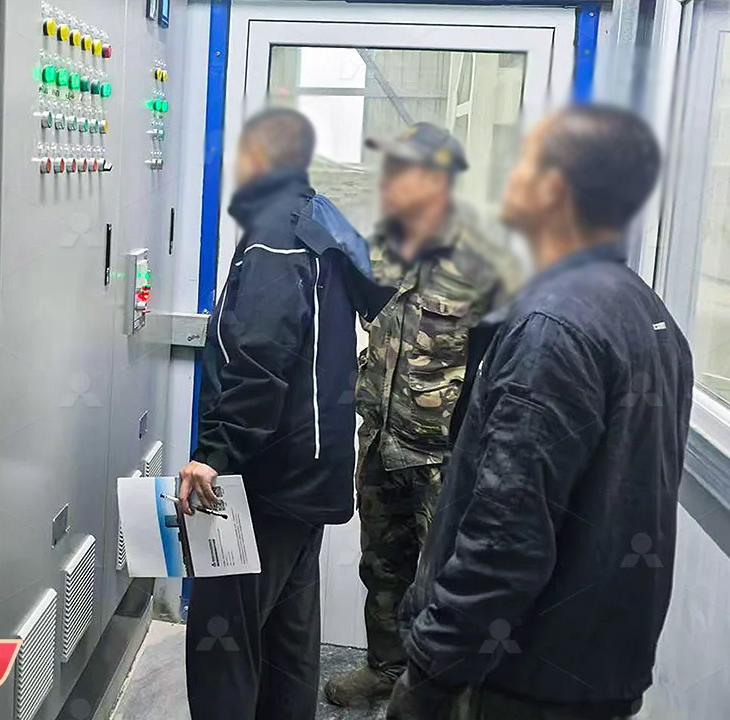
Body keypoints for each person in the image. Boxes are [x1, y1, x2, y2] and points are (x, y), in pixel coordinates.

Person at [386, 105, 693, 720]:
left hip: (519, 679)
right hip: (595, 669)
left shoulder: (553, 328)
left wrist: (429, 675)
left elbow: (506, 538)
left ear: (554, 189)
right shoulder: (646, 311)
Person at [178, 107, 393, 720]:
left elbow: (260, 361)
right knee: (288, 641)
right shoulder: (321, 222)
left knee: (224, 639)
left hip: (265, 480)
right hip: (313, 473)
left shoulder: (273, 238)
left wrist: (214, 455)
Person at [326, 123, 506, 707]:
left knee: (447, 584)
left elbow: (500, 363)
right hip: (381, 444)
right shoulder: (383, 246)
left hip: (442, 461)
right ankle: (385, 668)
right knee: (382, 570)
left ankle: (443, 698)